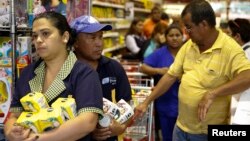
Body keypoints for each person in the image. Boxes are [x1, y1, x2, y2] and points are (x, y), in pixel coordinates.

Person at [135, 0, 250, 141]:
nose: (186, 33)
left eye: (189, 27)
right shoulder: (190, 45)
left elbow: (247, 77)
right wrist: (146, 102)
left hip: (206, 133)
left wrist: (213, 93)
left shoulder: (230, 49)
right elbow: (171, 76)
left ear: (204, 25)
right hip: (181, 127)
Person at [4, 11, 103, 141]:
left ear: (65, 37)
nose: (38, 40)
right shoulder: (28, 73)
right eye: (35, 36)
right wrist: (11, 131)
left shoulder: (84, 74)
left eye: (45, 33)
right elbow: (13, 116)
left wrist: (40, 138)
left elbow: (87, 122)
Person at [70, 15, 132, 141]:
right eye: (92, 38)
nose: (99, 43)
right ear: (75, 42)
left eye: (100, 37)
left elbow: (127, 103)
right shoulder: (65, 70)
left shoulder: (113, 67)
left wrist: (121, 126)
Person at [140, 24, 183, 141]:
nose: (174, 38)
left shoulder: (188, 52)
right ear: (166, 37)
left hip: (186, 104)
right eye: (171, 35)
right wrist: (158, 70)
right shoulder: (160, 53)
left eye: (178, 35)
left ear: (182, 37)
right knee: (168, 136)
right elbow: (143, 67)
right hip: (166, 102)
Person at [227, 18, 250, 124]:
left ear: (237, 37)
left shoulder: (244, 56)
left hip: (244, 111)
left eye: (229, 34)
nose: (226, 38)